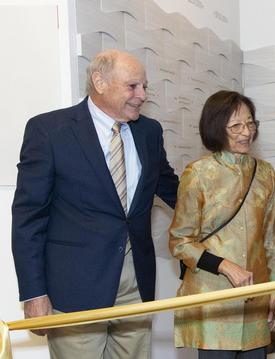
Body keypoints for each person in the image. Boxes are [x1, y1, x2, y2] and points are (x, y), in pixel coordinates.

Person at [11, 49, 179, 358]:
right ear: (99, 82)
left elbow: (173, 190)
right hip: (75, 288)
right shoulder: (49, 131)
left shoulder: (149, 132)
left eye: (144, 86)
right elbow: (28, 219)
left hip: (136, 285)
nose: (142, 95)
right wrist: (34, 293)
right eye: (133, 86)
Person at [169, 90, 275, 359]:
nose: (246, 132)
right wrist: (224, 265)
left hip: (256, 299)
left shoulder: (265, 172)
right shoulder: (197, 173)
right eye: (236, 126)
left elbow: (272, 240)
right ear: (216, 129)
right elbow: (179, 242)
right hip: (213, 302)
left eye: (250, 123)